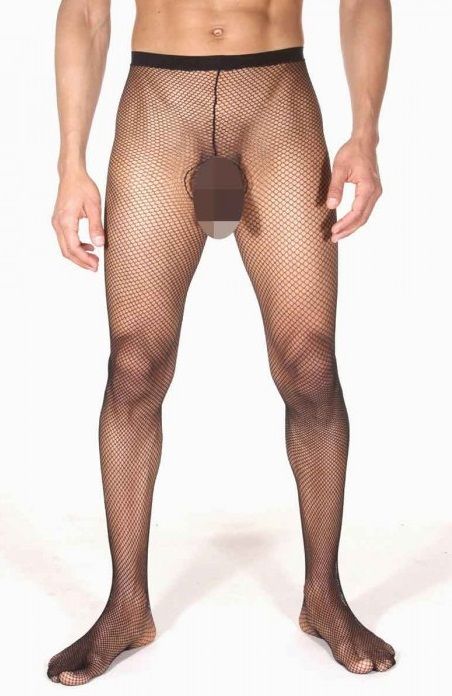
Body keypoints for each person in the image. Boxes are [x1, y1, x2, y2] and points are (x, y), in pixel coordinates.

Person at [48, 0, 395, 685]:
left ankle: (324, 597)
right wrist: (70, 164)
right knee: (135, 365)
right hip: (159, 108)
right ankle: (126, 606)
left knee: (311, 367)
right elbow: (85, 11)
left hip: (277, 107)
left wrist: (364, 134)